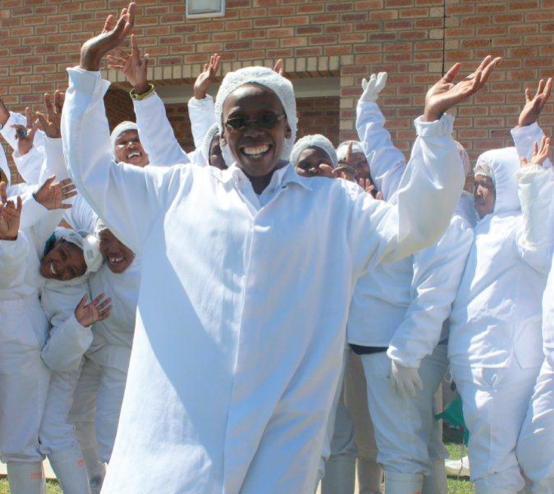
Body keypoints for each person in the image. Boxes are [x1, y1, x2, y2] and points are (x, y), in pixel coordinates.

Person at [61, 5, 495, 492]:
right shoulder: (175, 193)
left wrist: (433, 129)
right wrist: (87, 71)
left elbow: (415, 225)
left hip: (282, 432)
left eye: (267, 118)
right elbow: (94, 172)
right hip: (180, 432)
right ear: (221, 132)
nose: (252, 132)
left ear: (288, 126)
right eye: (238, 120)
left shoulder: (333, 206)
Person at [350, 70, 479, 494]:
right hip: (395, 348)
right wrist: (367, 111)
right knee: (423, 445)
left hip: (402, 352)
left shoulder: (450, 223)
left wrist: (406, 353)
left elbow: (434, 295)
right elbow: (384, 155)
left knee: (403, 451)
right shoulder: (414, 197)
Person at [449, 137, 553, 494]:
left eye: (488, 184)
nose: (477, 192)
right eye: (476, 183)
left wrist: (532, 180)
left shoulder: (515, 227)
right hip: (486, 365)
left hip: (498, 366)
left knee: (494, 463)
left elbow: (539, 246)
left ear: (507, 187)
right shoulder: (482, 226)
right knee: (501, 458)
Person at [0, 104, 76, 493]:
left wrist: (58, 143)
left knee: (22, 439)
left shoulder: (19, 197)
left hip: (22, 337)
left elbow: (58, 191)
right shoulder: (23, 204)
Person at [39, 227, 109, 494]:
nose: (61, 268)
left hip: (65, 365)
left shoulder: (72, 298)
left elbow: (55, 358)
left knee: (54, 431)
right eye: (64, 255)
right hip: (38, 362)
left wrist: (77, 325)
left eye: (71, 271)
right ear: (58, 242)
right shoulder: (45, 241)